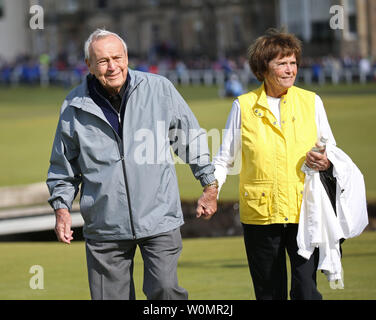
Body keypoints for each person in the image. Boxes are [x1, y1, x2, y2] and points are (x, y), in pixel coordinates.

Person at [46, 29, 218, 300]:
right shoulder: (73, 105)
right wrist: (62, 209)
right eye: (102, 61)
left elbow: (190, 140)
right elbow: (63, 166)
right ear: (89, 65)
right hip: (105, 224)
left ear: (127, 57)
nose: (112, 66)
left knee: (165, 291)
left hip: (159, 216)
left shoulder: (159, 89)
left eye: (117, 57)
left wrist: (209, 186)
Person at [213, 29, 336, 300]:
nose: (290, 69)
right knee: (269, 293)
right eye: (281, 63)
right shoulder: (243, 106)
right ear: (262, 67)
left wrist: (325, 160)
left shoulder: (312, 101)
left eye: (293, 63)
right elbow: (224, 158)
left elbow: (331, 151)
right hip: (260, 214)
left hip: (305, 210)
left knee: (306, 290)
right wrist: (212, 191)